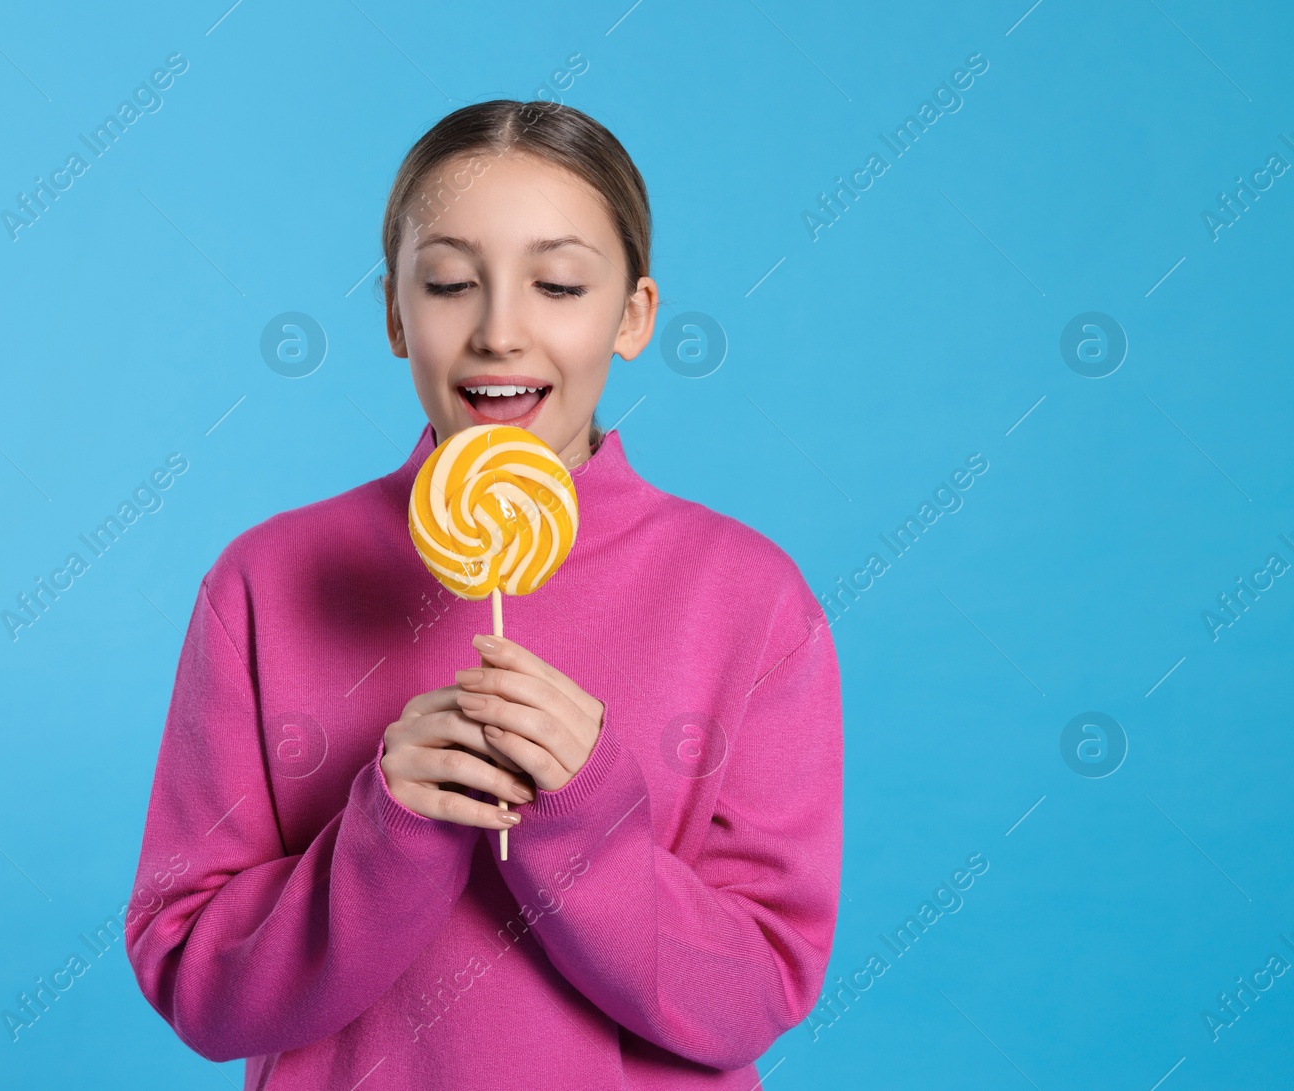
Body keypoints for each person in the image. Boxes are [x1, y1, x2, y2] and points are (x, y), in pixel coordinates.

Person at [125, 98, 842, 1089]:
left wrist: (584, 815)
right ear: (393, 313)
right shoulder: (266, 581)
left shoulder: (749, 598)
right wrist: (390, 829)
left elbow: (754, 993)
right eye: (452, 282)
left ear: (631, 315)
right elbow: (199, 986)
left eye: (556, 283)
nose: (500, 331)